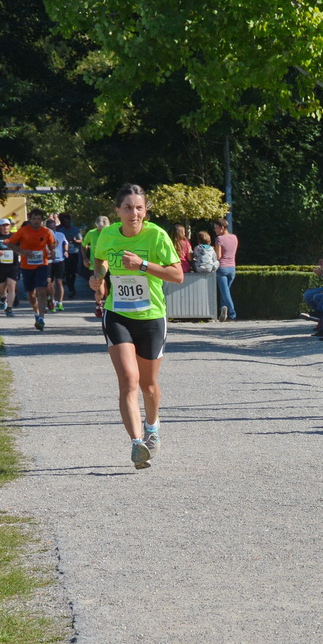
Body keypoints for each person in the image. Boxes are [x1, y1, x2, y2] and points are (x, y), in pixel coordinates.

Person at [89, 184, 184, 469]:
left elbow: (177, 275)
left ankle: (152, 428)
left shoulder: (156, 235)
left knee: (148, 384)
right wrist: (98, 276)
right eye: (128, 208)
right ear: (117, 211)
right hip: (117, 314)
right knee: (128, 380)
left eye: (139, 208)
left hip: (151, 317)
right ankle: (137, 444)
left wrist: (142, 265)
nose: (134, 213)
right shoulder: (107, 234)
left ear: (146, 210)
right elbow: (100, 259)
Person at [8, 209, 57, 330]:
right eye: (34, 218)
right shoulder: (23, 231)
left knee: (42, 290)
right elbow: (10, 244)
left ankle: (41, 318)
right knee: (31, 293)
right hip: (27, 266)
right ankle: (36, 312)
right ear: (30, 219)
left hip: (42, 265)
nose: (36, 221)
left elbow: (52, 244)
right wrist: (22, 251)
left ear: (42, 220)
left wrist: (52, 251)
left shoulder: (46, 231)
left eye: (39, 219)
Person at [214, 217, 239, 321]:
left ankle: (232, 314)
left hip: (222, 268)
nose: (215, 230)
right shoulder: (234, 237)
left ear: (222, 228)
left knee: (225, 293)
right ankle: (223, 311)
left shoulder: (219, 239)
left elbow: (218, 256)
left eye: (216, 228)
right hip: (232, 267)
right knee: (225, 292)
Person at [47, 214, 70, 310]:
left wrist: (65, 251)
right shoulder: (45, 235)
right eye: (50, 227)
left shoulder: (60, 235)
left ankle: (60, 302)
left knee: (59, 282)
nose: (52, 229)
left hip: (59, 260)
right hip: (49, 261)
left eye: (53, 227)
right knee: (49, 283)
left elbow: (65, 243)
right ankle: (52, 301)